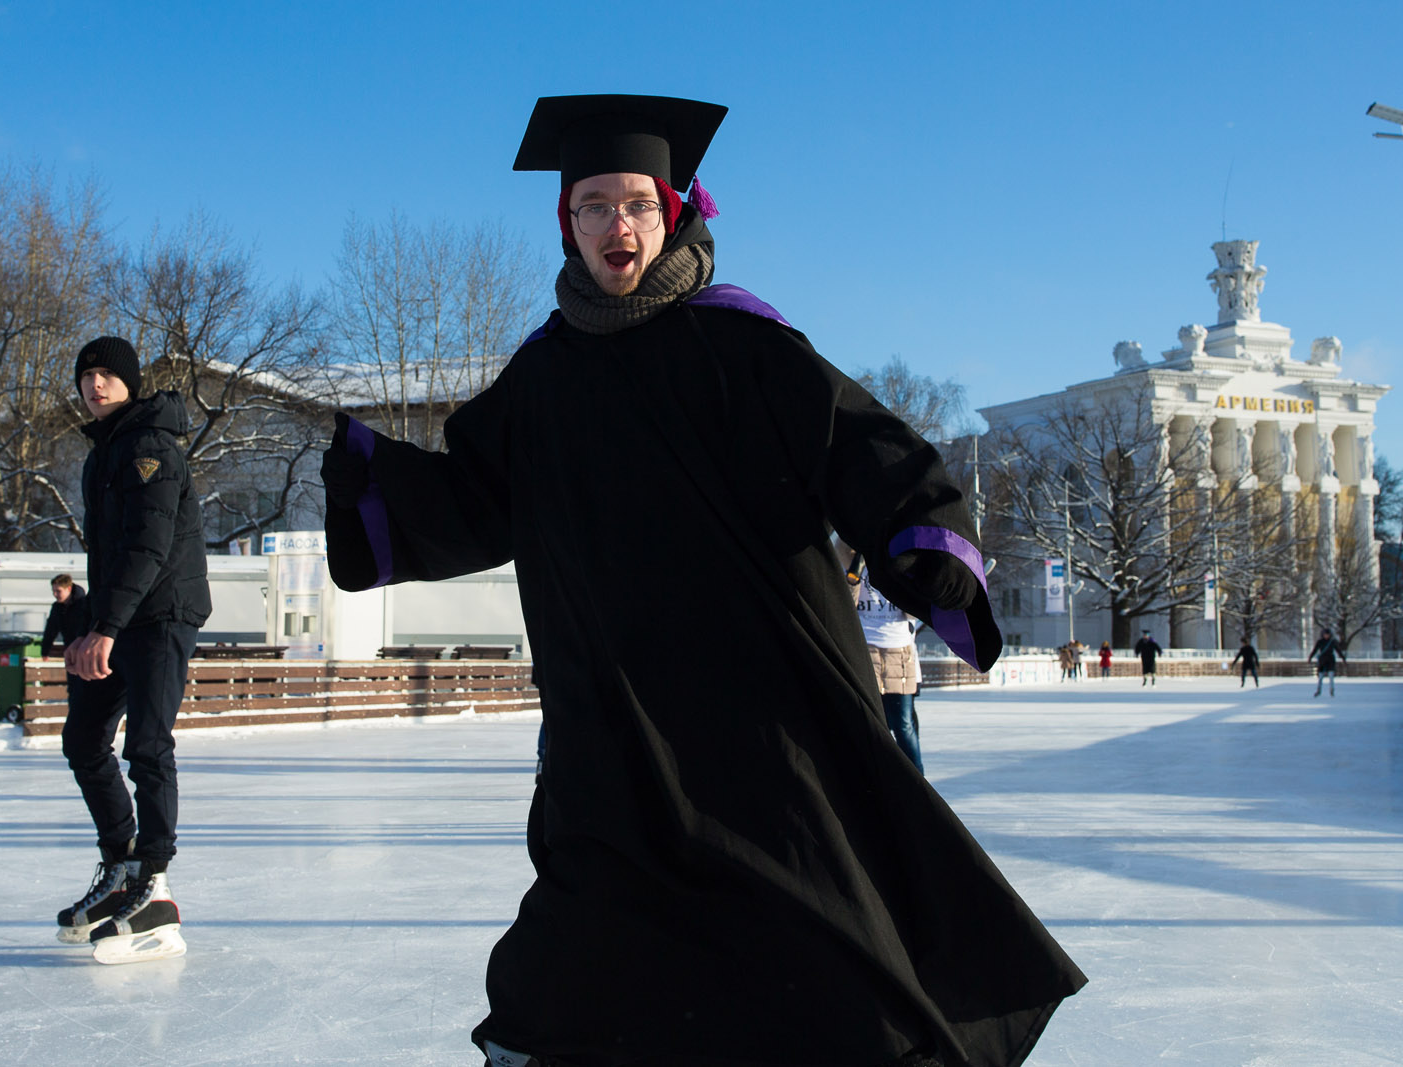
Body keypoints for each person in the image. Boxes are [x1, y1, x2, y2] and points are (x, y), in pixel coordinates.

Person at [322, 95, 1083, 1067]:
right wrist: (370, 479)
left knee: (804, 927)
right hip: (610, 716)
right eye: (592, 205)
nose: (616, 225)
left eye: (634, 202)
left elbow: (864, 446)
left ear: (673, 211)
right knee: (581, 929)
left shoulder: (745, 344)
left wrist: (920, 534)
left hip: (761, 713)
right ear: (567, 223)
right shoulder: (544, 377)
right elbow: (471, 495)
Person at [54, 336, 211, 964]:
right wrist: (89, 626)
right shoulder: (103, 454)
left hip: (163, 614)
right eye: (86, 376)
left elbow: (149, 547)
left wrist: (107, 628)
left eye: (107, 376)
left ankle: (156, 887)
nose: (96, 385)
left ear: (130, 383)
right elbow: (109, 556)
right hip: (121, 617)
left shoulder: (151, 447)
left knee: (147, 744)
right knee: (84, 739)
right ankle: (121, 864)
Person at [846, 555, 924, 774]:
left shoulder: (899, 569)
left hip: (899, 653)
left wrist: (905, 582)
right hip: (865, 650)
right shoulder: (854, 568)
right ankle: (880, 777)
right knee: (873, 724)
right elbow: (846, 608)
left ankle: (917, 779)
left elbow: (913, 612)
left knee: (903, 724)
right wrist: (853, 578)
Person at [41, 573, 89, 655]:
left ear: (69, 589)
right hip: (69, 648)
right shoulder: (57, 608)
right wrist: (45, 651)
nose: (55, 594)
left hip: (84, 648)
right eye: (53, 591)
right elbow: (50, 630)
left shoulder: (83, 605)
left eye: (58, 591)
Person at [1308, 627, 1345, 697]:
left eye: (1327, 634)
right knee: (1320, 677)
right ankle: (1319, 690)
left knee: (1331, 677)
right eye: (1325, 634)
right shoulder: (1320, 642)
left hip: (1330, 661)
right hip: (1322, 661)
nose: (1326, 636)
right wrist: (1310, 657)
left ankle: (1332, 690)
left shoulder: (1333, 642)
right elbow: (1315, 650)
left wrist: (1343, 658)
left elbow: (1338, 650)